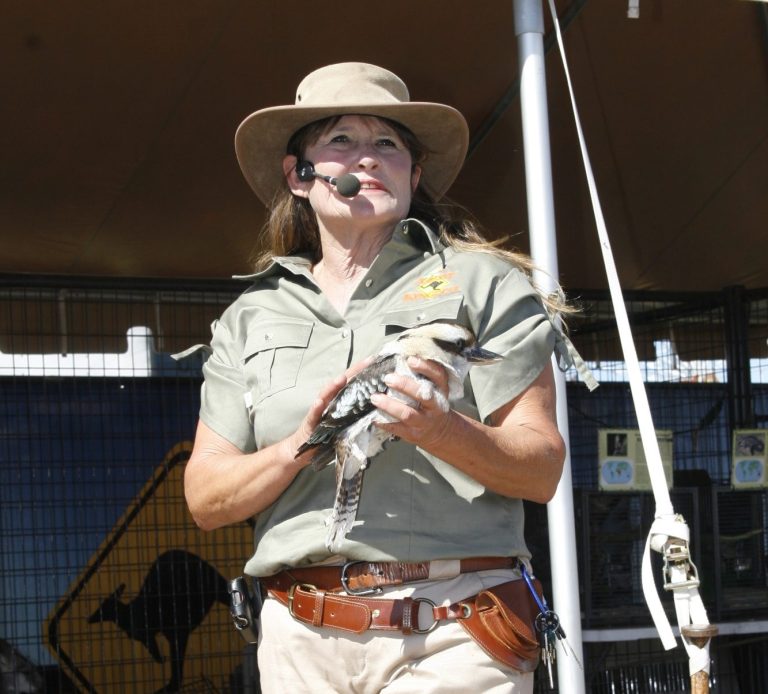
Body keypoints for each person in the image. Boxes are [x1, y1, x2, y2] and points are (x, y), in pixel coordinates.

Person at [184, 61, 588, 693]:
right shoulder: (251, 316)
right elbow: (206, 500)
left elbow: (540, 469)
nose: (368, 159)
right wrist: (307, 444)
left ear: (414, 174)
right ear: (299, 175)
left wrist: (438, 428)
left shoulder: (485, 283)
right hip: (297, 638)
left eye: (388, 145)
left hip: (453, 630)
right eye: (342, 140)